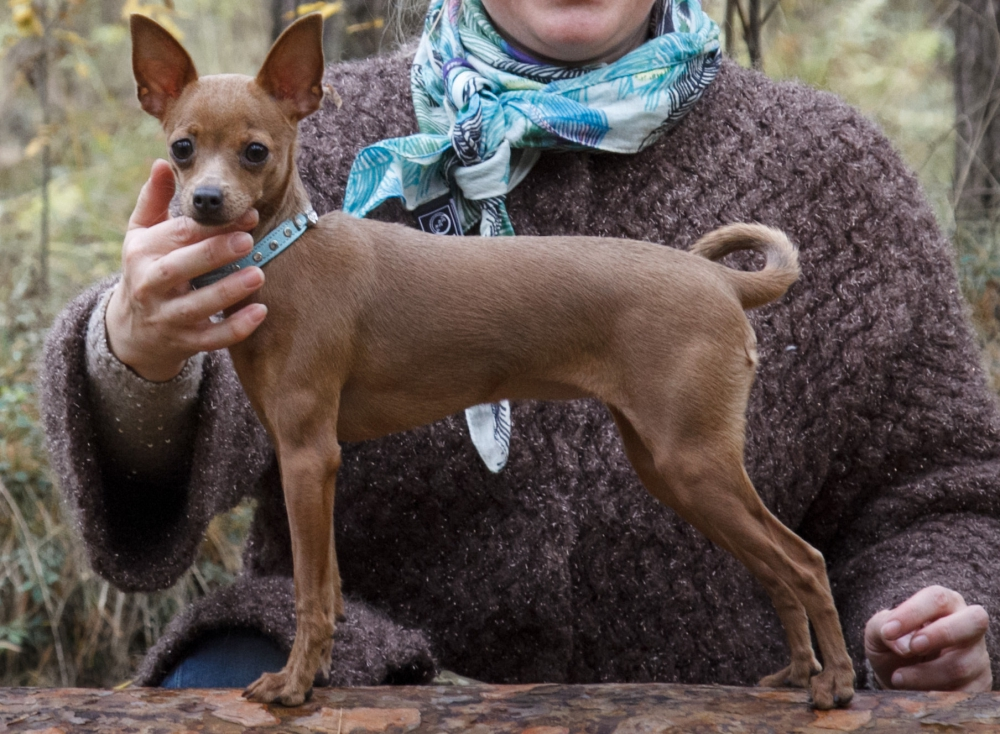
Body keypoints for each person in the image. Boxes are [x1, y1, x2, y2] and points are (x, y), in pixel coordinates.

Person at [40, 0, 995, 693]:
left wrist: (933, 603)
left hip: (710, 693)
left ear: (299, 95)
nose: (217, 176)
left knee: (693, 473)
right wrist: (135, 359)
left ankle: (812, 651)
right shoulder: (300, 143)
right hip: (387, 681)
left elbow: (946, 489)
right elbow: (249, 448)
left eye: (243, 158)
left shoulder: (831, 166)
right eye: (187, 154)